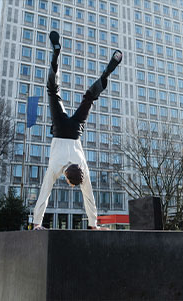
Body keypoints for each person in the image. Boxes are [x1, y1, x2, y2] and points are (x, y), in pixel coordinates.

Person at [33, 31, 122, 230]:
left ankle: (105, 75)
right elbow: (44, 195)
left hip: (75, 131)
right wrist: (36, 223)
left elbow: (89, 197)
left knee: (89, 98)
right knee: (52, 91)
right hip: (60, 129)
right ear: (67, 177)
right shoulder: (57, 168)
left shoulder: (82, 167)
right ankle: (55, 56)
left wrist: (94, 224)